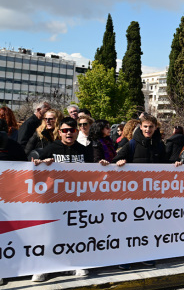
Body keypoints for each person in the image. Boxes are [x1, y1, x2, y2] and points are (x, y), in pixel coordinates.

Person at [32, 117, 100, 281]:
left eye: (72, 130)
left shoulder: (84, 150)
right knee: (50, 235)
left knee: (77, 234)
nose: (68, 133)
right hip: (54, 200)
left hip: (78, 199)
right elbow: (33, 161)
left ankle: (77, 264)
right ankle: (44, 267)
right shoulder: (51, 148)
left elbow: (93, 173)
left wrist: (103, 165)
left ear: (76, 131)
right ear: (60, 132)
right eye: (65, 130)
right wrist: (38, 162)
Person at [113, 114, 166, 269]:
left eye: (151, 127)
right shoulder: (132, 144)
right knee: (129, 226)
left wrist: (175, 164)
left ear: (155, 128)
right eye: (145, 126)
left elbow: (165, 166)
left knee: (148, 226)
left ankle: (145, 255)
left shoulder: (160, 145)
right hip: (132, 195)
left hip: (152, 194)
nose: (148, 129)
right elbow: (115, 160)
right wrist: (120, 162)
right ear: (140, 127)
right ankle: (125, 257)